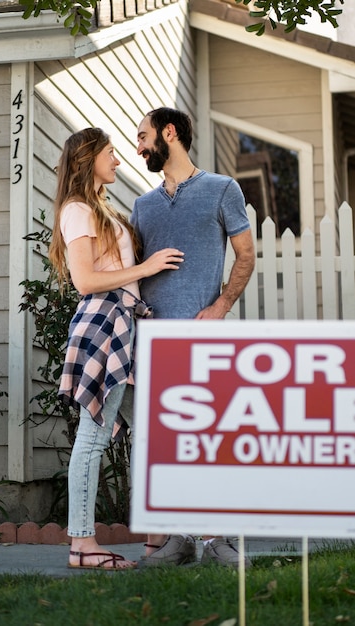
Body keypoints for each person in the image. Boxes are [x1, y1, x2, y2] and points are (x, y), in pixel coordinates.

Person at [49, 127, 184, 570]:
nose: (119, 160)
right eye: (111, 153)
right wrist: (144, 267)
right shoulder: (77, 211)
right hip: (103, 324)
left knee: (149, 436)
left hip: (123, 324)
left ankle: (155, 541)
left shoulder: (98, 209)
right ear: (89, 157)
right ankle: (82, 547)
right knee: (92, 439)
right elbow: (86, 281)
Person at [130, 107, 256, 568]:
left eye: (143, 136)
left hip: (204, 343)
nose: (138, 145)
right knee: (170, 443)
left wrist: (220, 306)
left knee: (211, 438)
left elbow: (245, 256)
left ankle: (217, 538)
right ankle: (180, 538)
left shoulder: (223, 189)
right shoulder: (142, 205)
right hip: (154, 346)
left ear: (169, 133)